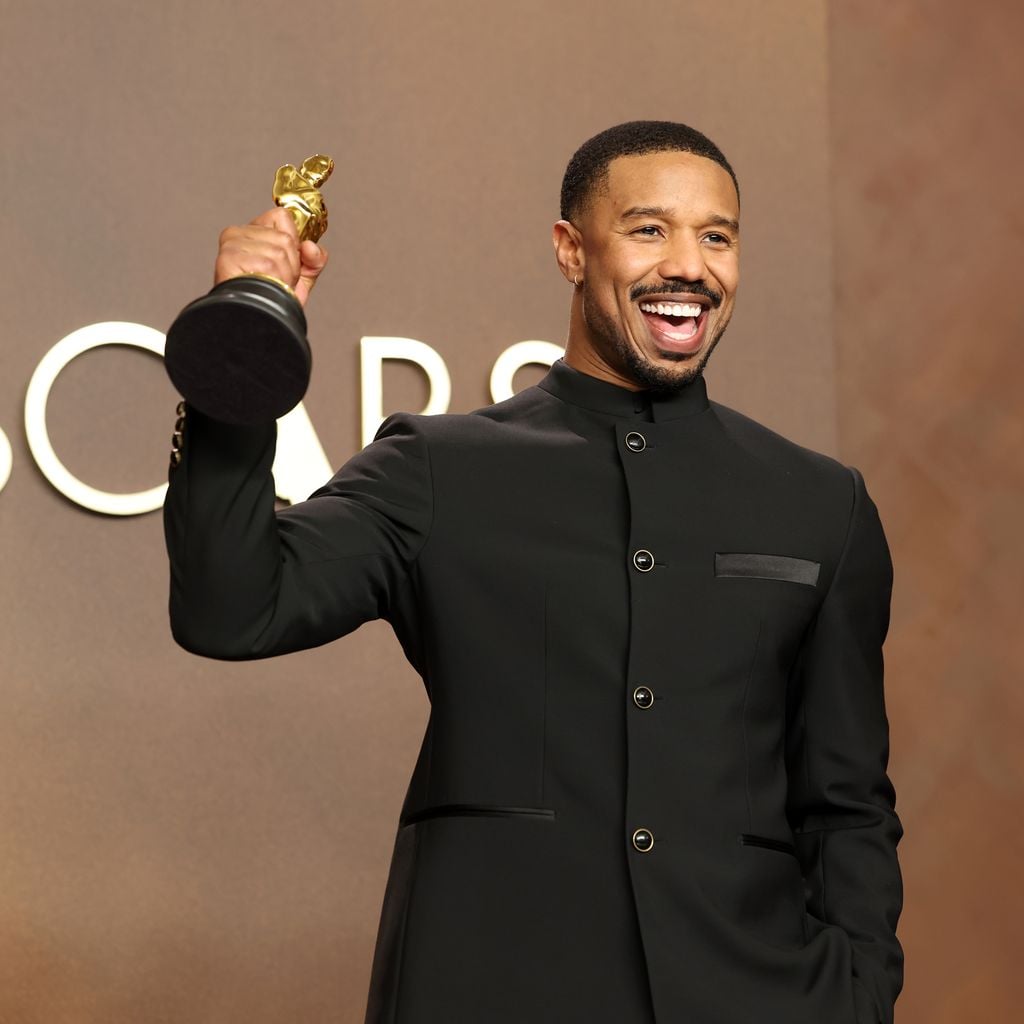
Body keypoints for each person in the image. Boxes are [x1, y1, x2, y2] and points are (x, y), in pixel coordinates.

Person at [164, 121, 903, 1023]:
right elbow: (230, 609)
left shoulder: (822, 505)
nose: (690, 264)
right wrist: (240, 352)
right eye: (647, 229)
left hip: (760, 999)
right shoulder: (439, 467)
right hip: (490, 988)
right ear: (569, 249)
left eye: (717, 236)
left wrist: (860, 994)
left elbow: (846, 804)